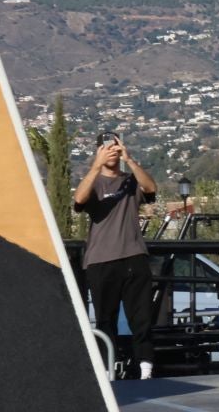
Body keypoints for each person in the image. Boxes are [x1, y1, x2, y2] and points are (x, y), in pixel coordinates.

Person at [74, 132, 159, 380]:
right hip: (100, 261)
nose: (111, 150)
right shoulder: (93, 181)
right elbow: (79, 200)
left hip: (134, 257)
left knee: (141, 317)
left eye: (115, 146)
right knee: (105, 320)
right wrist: (96, 166)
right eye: (106, 147)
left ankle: (145, 369)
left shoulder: (131, 181)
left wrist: (130, 159)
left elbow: (151, 189)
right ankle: (108, 370)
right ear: (98, 150)